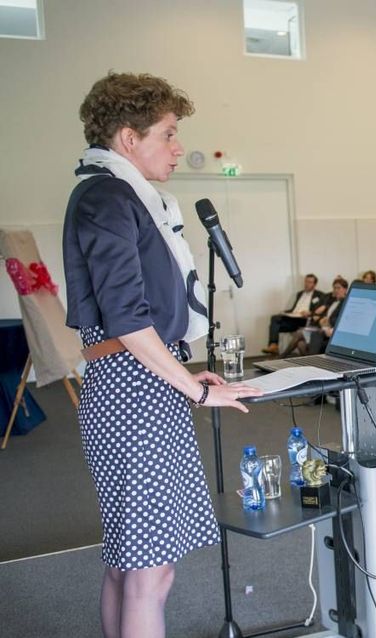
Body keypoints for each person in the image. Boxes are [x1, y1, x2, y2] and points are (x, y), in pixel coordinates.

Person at [64, 72, 262, 638]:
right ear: (129, 138)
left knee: (135, 568)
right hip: (133, 391)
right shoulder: (107, 196)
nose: (178, 148)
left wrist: (181, 372)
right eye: (169, 134)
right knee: (148, 576)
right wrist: (195, 386)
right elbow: (127, 320)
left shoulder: (119, 194)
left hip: (144, 382)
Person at [281, 276, 348, 356]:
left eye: (338, 288)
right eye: (334, 288)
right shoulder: (331, 301)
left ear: (345, 289)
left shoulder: (346, 302)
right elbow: (321, 315)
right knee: (300, 344)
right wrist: (321, 319)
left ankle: (282, 357)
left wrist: (328, 321)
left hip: (330, 331)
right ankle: (308, 363)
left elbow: (342, 320)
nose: (336, 290)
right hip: (321, 327)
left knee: (299, 333)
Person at [262, 273, 327, 354]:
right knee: (275, 319)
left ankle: (274, 346)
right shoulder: (299, 294)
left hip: (304, 320)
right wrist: (285, 312)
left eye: (310, 282)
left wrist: (310, 313)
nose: (307, 284)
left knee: (275, 322)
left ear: (315, 284)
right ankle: (274, 345)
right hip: (293, 318)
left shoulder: (320, 295)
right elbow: (294, 309)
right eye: (306, 281)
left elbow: (320, 311)